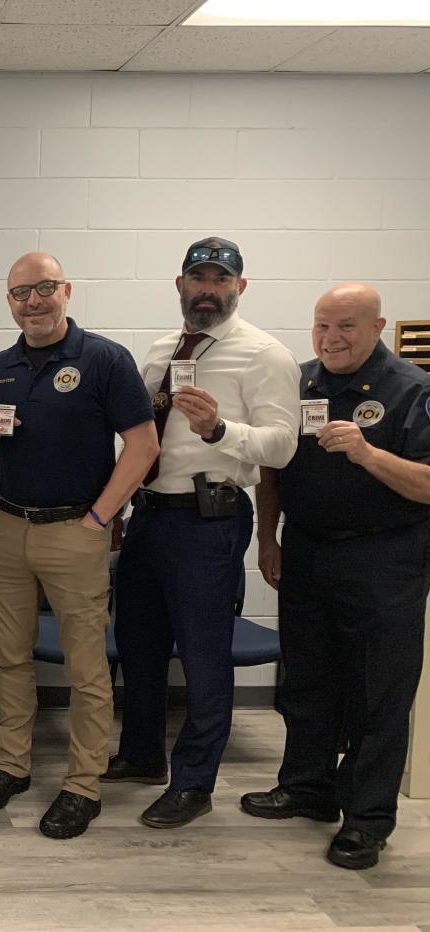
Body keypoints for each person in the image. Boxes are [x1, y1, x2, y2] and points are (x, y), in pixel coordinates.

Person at [106, 236, 300, 830]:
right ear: (180, 285)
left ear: (241, 287)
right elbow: (137, 433)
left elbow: (283, 446)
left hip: (208, 521)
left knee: (203, 654)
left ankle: (194, 783)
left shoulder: (264, 355)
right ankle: (141, 754)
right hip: (148, 515)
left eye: (221, 280)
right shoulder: (163, 349)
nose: (208, 290)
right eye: (199, 279)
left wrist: (220, 430)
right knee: (137, 644)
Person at [0, 252, 158, 839]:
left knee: (85, 666)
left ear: (66, 290)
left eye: (44, 288)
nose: (34, 301)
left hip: (76, 530)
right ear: (9, 302)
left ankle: (83, 784)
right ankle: (11, 765)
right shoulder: (0, 365)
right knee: (10, 658)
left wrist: (101, 517)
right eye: (21, 292)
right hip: (5, 528)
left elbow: (144, 445)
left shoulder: (104, 359)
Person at [241, 283, 430, 870]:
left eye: (345, 326)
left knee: (378, 691)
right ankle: (307, 787)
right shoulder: (299, 383)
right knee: (305, 678)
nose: (331, 338)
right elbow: (272, 468)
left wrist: (368, 453)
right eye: (322, 326)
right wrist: (266, 539)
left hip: (385, 559)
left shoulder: (413, 390)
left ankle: (367, 820)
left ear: (377, 326)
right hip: (307, 550)